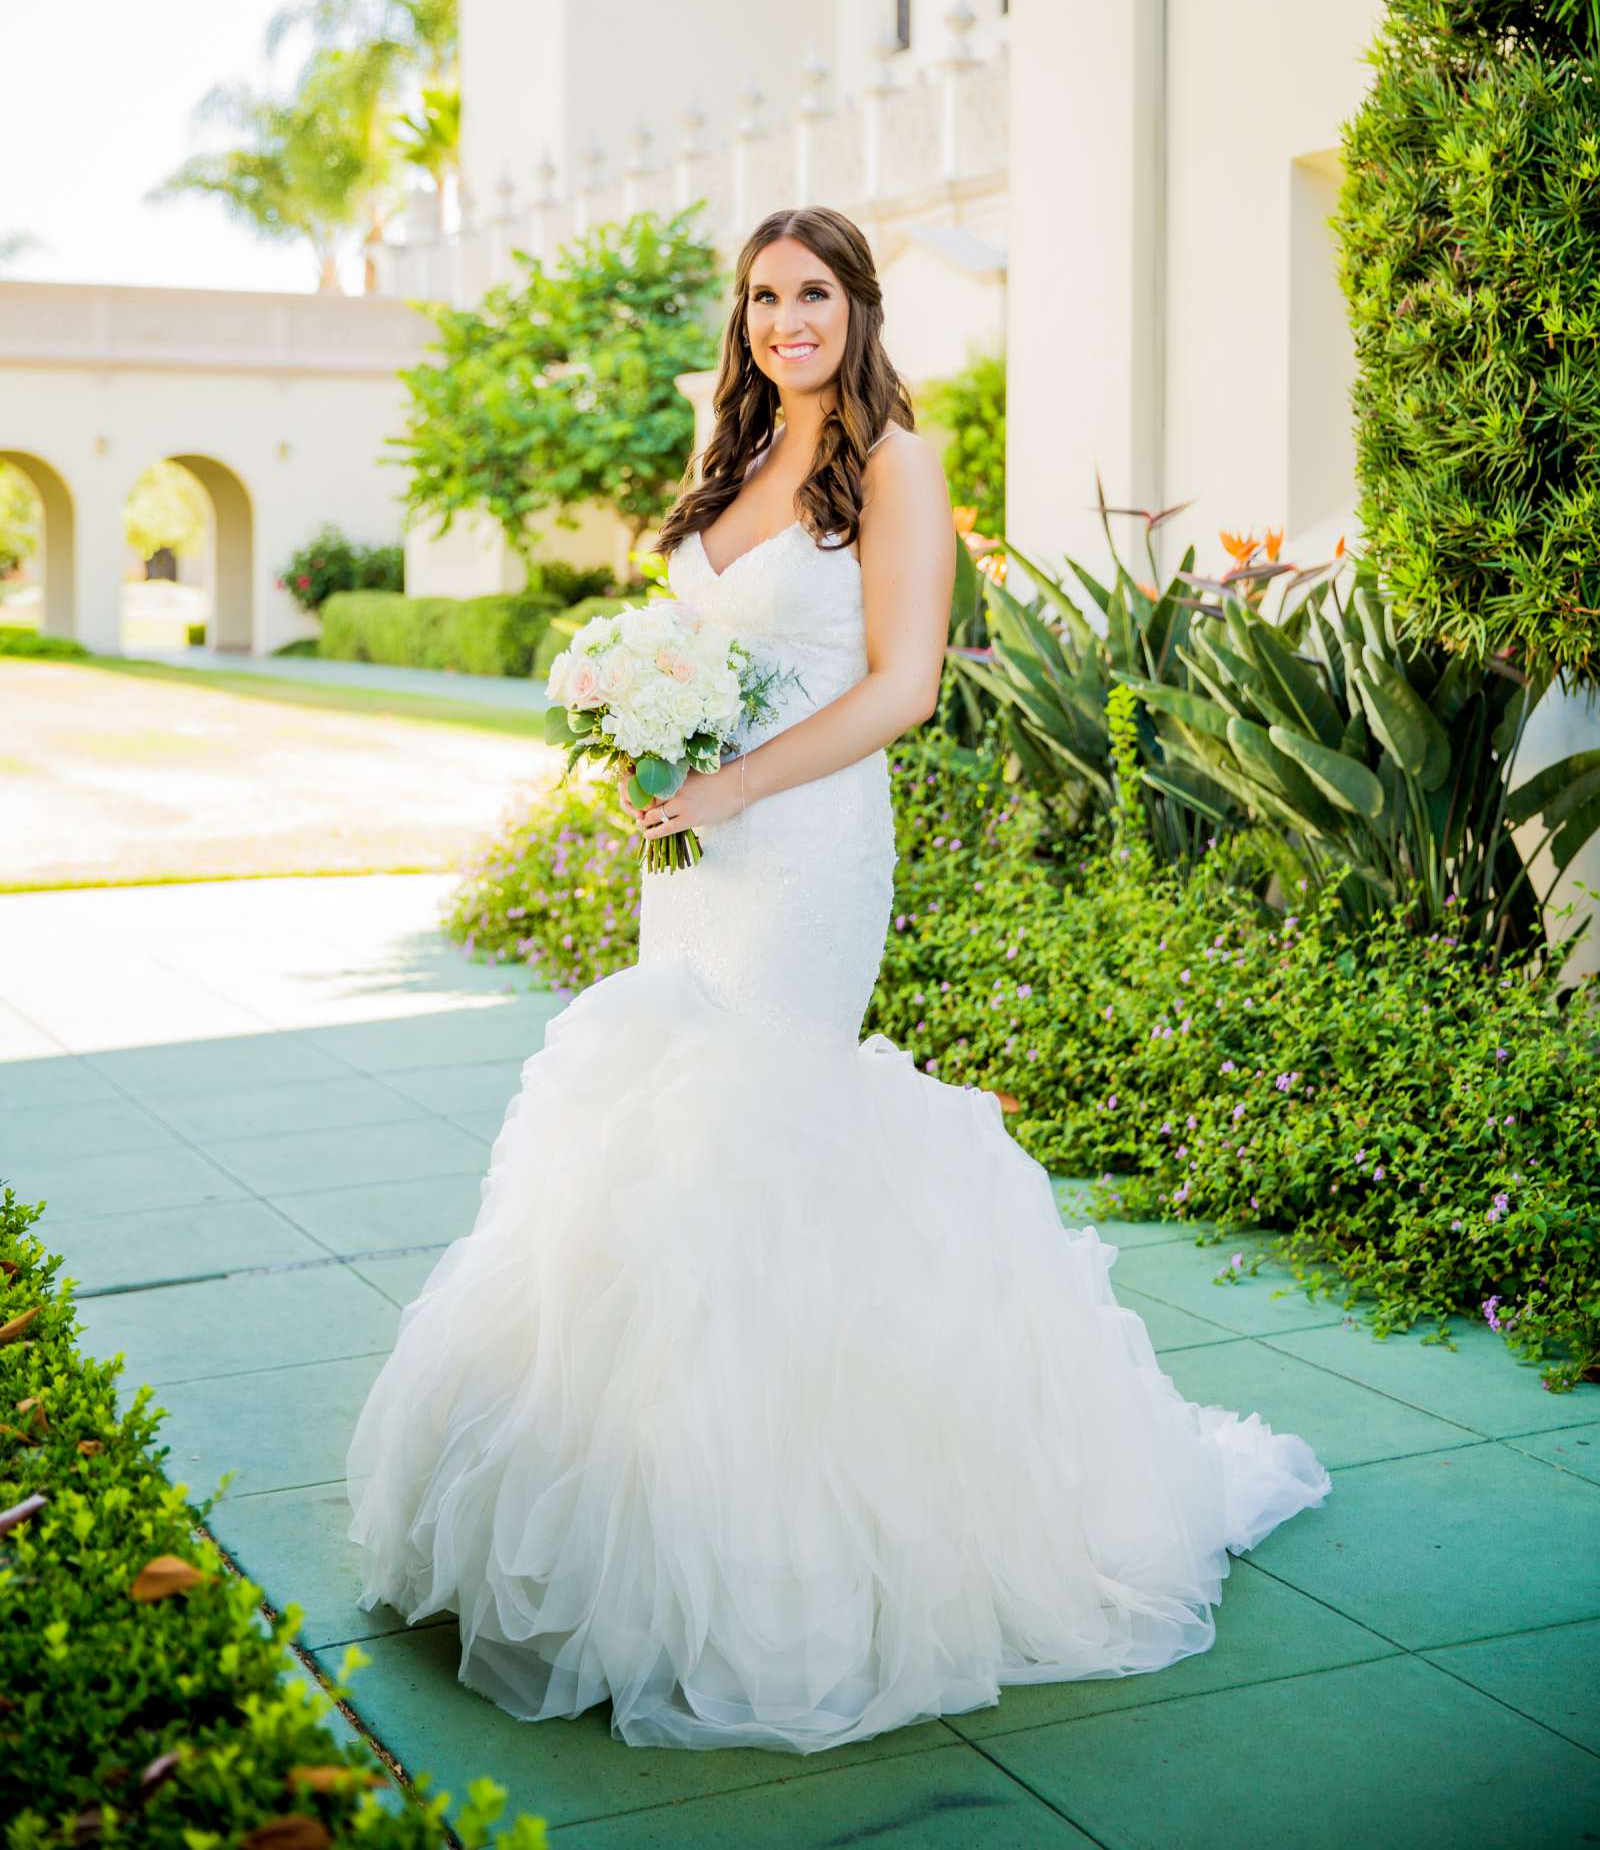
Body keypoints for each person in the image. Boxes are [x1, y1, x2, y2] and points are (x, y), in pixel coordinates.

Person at [344, 204, 1331, 1754]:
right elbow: (694, 647)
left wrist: (738, 788)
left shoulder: (898, 466)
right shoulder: (724, 464)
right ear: (741, 320)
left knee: (759, 1133)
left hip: (806, 858)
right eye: (761, 296)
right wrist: (649, 740)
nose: (785, 319)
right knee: (659, 1133)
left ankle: (792, 1570)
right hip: (698, 863)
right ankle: (636, 1530)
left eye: (813, 293)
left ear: (861, 309)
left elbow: (904, 683)